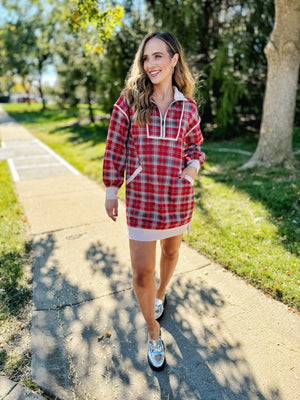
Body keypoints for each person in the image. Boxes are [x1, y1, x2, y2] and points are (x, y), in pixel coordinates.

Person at [103, 31, 205, 371]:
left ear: (174, 59)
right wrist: (110, 189)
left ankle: (161, 296)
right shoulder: (130, 100)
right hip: (143, 200)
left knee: (172, 254)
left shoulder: (187, 107)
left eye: (158, 56)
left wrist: (190, 170)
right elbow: (115, 145)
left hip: (177, 199)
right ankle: (152, 330)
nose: (151, 64)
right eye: (146, 58)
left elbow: (195, 146)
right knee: (141, 274)